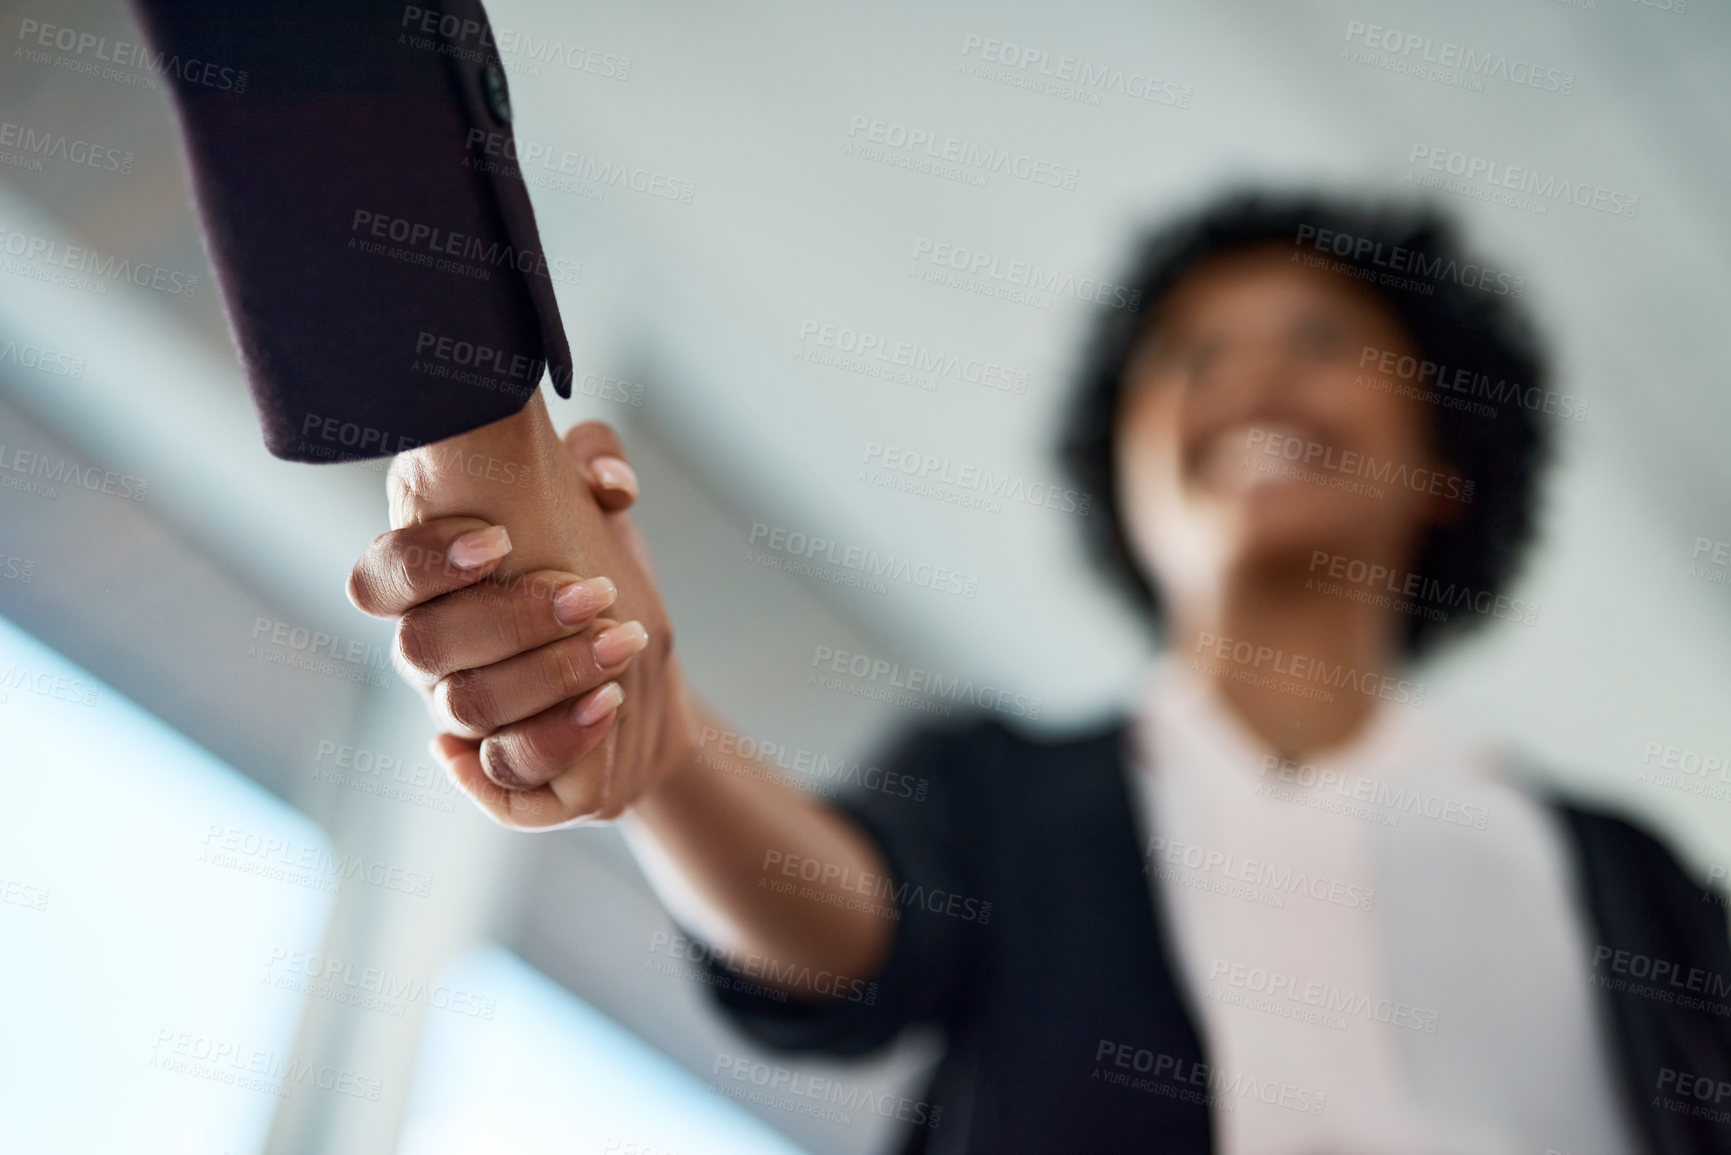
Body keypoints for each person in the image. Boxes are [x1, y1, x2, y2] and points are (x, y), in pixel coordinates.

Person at [353, 193, 1731, 1154]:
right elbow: (851, 934)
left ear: (1443, 465)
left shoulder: (1638, 884)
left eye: (1318, 344)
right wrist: (655, 750)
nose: (1247, 381)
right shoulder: (1002, 793)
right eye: (1188, 361)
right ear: (1127, 492)